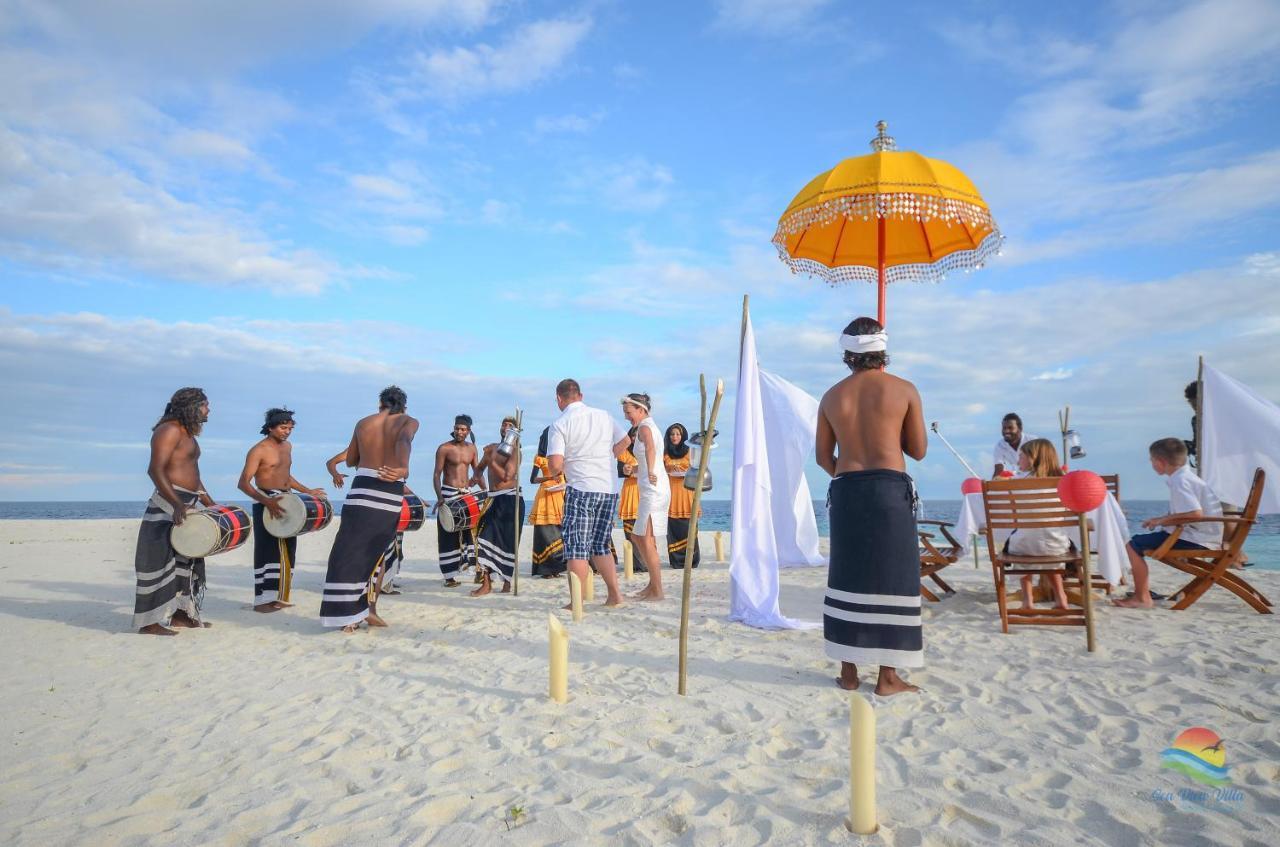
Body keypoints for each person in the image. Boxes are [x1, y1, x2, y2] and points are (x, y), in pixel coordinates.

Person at [816, 318, 927, 696]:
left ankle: (848, 673)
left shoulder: (832, 396)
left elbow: (821, 457)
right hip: (888, 490)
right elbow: (919, 450)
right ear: (882, 350)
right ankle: (887, 676)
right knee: (891, 578)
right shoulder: (904, 390)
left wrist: (849, 475)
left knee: (848, 575)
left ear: (847, 353)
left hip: (846, 490)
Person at [319, 386, 418, 632]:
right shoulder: (408, 421)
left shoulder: (364, 423)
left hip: (361, 489)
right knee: (377, 552)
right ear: (403, 406)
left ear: (380, 404)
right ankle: (369, 609)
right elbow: (404, 440)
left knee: (349, 551)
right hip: (387, 490)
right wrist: (403, 467)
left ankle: (348, 616)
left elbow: (351, 460)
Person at [133, 387, 218, 635]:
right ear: (192, 406)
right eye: (205, 404)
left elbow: (193, 474)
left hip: (187, 501)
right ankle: (149, 623)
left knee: (188, 559)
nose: (208, 409)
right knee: (158, 561)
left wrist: (210, 503)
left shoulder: (188, 433)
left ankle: (182, 615)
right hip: (169, 503)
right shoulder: (168, 430)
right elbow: (155, 470)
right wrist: (177, 504)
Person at [546, 378, 631, 608]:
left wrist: (564, 467)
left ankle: (577, 602)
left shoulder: (560, 423)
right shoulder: (603, 415)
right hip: (609, 488)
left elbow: (554, 465)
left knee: (577, 548)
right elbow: (626, 440)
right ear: (580, 396)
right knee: (600, 544)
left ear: (558, 399)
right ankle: (614, 595)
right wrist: (608, 456)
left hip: (581, 488)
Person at [1114, 438, 1223, 609]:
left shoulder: (1180, 481)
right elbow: (1188, 512)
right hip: (1203, 536)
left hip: (1196, 539)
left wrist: (1162, 520)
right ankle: (1141, 595)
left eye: (1151, 460)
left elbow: (1195, 513)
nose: (1151, 464)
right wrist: (1159, 520)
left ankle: (1141, 597)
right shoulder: (1186, 477)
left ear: (1161, 462)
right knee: (1137, 542)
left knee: (1131, 545)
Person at [237, 408, 326, 612]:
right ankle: (262, 602)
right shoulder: (258, 450)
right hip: (266, 501)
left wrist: (308, 491)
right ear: (270, 427)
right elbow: (243, 483)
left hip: (287, 502)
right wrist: (266, 502)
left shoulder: (287, 447)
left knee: (287, 551)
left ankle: (278, 597)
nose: (287, 431)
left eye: (290, 428)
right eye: (283, 427)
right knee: (267, 551)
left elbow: (286, 475)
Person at [1005, 439, 1071, 610]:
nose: (1018, 460)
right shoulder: (1064, 482)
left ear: (1033, 458)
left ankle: (1027, 601)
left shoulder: (1017, 482)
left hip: (1023, 548)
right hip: (1056, 545)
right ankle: (1061, 597)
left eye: (1021, 456)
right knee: (1051, 551)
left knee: (1021, 541)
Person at [621, 393, 670, 601]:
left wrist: (649, 470)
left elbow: (650, 448)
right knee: (636, 536)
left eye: (629, 412)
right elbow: (652, 454)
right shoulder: (649, 425)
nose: (626, 417)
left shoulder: (645, 427)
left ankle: (657, 590)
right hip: (650, 486)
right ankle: (652, 584)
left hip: (654, 489)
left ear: (641, 410)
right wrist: (636, 468)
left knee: (646, 539)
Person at [472, 417, 525, 596]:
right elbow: (479, 469)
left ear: (516, 432)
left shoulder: (516, 451)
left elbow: (506, 477)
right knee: (482, 538)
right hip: (492, 499)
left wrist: (490, 460)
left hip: (510, 500)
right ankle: (486, 584)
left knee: (507, 543)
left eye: (511, 426)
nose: (506, 427)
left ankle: (507, 583)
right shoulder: (492, 447)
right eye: (504, 424)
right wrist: (474, 479)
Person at [432, 415, 480, 587]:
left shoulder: (472, 449)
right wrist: (439, 497)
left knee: (472, 533)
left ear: (468, 431)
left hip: (466, 494)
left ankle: (477, 571)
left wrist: (485, 492)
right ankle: (449, 576)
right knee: (448, 535)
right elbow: (437, 474)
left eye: (463, 429)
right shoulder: (444, 448)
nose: (459, 431)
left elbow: (477, 472)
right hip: (448, 493)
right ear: (453, 428)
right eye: (457, 428)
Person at [529, 427, 567, 578]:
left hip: (560, 495)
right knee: (545, 532)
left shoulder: (563, 456)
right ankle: (545, 570)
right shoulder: (540, 458)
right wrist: (550, 478)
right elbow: (532, 480)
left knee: (560, 532)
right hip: (545, 496)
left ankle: (557, 568)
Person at [663, 423, 701, 569]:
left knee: (689, 528)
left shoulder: (690, 452)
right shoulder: (665, 452)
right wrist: (669, 468)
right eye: (672, 434)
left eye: (678, 434)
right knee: (673, 529)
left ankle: (692, 560)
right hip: (671, 493)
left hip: (687, 492)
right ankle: (676, 561)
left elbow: (696, 470)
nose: (675, 437)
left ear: (683, 435)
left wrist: (683, 469)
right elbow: (661, 469)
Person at [992, 413, 1035, 478]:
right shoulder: (1000, 446)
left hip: (1036, 475)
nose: (1006, 431)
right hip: (1019, 477)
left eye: (1010, 428)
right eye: (1004, 428)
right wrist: (992, 485)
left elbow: (1043, 464)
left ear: (1020, 428)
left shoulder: (1033, 441)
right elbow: (998, 469)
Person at [617, 427, 639, 546]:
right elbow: (619, 468)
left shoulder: (651, 452)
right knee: (631, 526)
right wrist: (625, 469)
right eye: (633, 435)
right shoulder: (624, 453)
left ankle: (647, 561)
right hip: (630, 491)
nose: (636, 438)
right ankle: (635, 563)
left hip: (646, 491)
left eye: (639, 435)